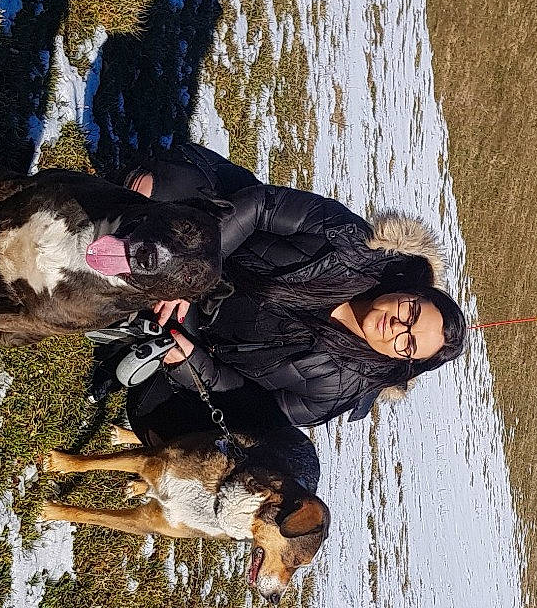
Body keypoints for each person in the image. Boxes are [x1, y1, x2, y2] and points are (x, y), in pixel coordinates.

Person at [115, 144, 469, 429]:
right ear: (412, 291)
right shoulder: (354, 244)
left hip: (195, 330)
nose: (398, 327)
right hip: (214, 226)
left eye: (408, 343)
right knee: (144, 190)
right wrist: (193, 271)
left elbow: (251, 408)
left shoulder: (335, 391)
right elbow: (261, 206)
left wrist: (189, 362)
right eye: (411, 312)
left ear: (402, 361)